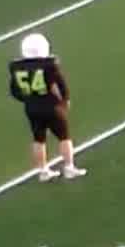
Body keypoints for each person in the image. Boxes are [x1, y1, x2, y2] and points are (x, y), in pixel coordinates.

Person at [9, 32, 85, 181]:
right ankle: (69, 167)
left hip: (31, 107)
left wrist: (28, 99)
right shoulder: (49, 65)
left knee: (39, 139)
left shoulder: (17, 67)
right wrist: (65, 100)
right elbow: (61, 85)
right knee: (64, 136)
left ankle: (43, 171)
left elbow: (14, 91)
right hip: (50, 105)